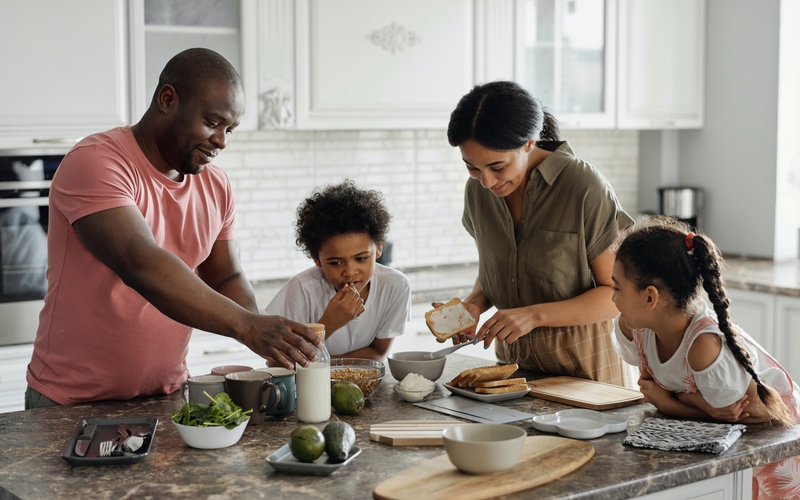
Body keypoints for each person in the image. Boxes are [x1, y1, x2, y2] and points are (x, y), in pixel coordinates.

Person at [25, 48, 320, 409]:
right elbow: (140, 263)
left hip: (166, 396)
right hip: (71, 402)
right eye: (212, 122)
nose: (222, 141)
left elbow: (226, 275)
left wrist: (264, 334)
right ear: (167, 99)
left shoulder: (216, 185)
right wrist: (247, 326)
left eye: (230, 129)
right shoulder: (96, 162)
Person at [446, 80, 634, 385]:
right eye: (472, 168)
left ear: (529, 143)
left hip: (587, 377)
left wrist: (533, 316)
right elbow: (500, 269)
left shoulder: (582, 186)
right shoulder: (478, 193)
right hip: (513, 376)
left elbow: (616, 295)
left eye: (498, 167)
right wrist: (474, 304)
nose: (487, 182)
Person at [611, 216, 799, 499]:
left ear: (650, 298)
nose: (612, 298)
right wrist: (701, 406)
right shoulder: (636, 328)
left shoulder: (703, 347)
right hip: (719, 439)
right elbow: (660, 391)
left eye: (617, 288)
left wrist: (674, 403)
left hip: (776, 442)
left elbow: (754, 413)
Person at [265, 180, 411, 360]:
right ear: (317, 259)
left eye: (361, 258)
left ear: (379, 248)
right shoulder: (302, 289)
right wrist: (329, 324)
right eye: (335, 262)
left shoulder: (395, 285)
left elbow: (378, 352)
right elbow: (276, 362)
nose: (350, 271)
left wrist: (327, 366)